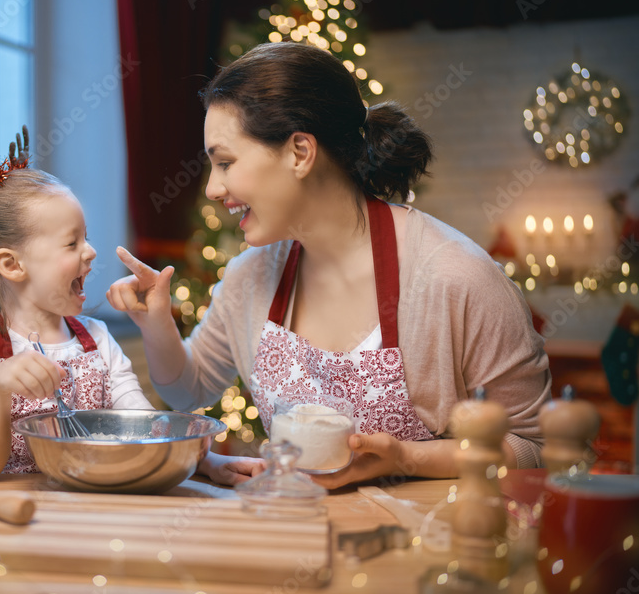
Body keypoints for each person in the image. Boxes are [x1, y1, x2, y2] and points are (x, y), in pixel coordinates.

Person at [108, 42, 549, 489]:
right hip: (295, 544)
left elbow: (537, 450)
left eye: (225, 162)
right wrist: (156, 322)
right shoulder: (250, 277)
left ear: (300, 152)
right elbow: (189, 389)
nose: (213, 189)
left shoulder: (457, 278)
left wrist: (406, 458)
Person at [0, 127, 261, 483]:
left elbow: (145, 426)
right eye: (71, 243)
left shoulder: (96, 339)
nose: (91, 251)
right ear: (12, 265)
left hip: (98, 515)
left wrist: (206, 463)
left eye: (87, 237)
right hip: (21, 521)